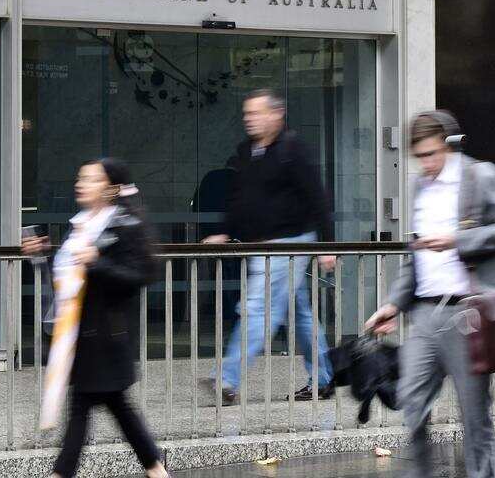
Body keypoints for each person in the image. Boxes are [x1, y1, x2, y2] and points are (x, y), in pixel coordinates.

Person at [365, 111, 495, 478]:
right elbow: (412, 254)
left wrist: (457, 240)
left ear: (448, 144)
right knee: (412, 404)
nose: (427, 163)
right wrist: (393, 305)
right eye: (420, 156)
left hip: (468, 315)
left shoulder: (479, 176)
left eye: (432, 154)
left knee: (474, 414)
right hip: (425, 316)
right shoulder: (420, 186)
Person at [22, 158, 167, 478]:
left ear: (110, 188)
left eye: (90, 179)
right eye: (80, 178)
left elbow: (139, 276)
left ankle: (64, 474)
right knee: (112, 407)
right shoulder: (83, 225)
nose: (80, 184)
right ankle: (156, 470)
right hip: (79, 333)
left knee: (86, 410)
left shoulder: (122, 226)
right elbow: (68, 284)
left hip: (105, 336)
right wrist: (43, 256)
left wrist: (97, 263)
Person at [203, 88, 335, 403]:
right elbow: (238, 198)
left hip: (289, 242)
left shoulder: (293, 150)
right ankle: (324, 378)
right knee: (298, 312)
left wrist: (328, 246)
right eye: (247, 114)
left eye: (256, 113)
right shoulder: (248, 151)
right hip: (262, 244)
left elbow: (318, 198)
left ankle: (227, 379)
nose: (249, 119)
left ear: (276, 114)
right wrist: (224, 230)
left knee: (257, 308)